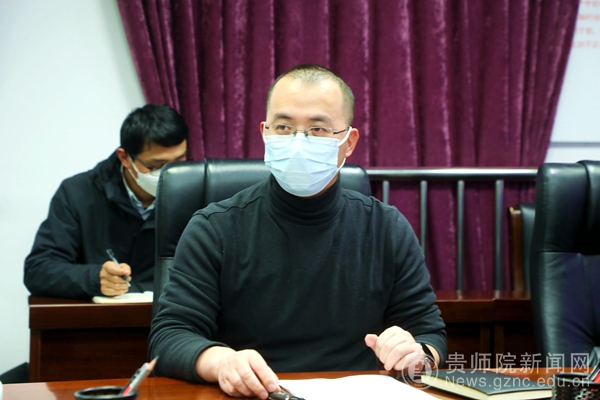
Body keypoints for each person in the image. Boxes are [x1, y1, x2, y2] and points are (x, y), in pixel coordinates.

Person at [149, 64, 446, 399]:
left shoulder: (387, 228)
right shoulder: (214, 228)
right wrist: (222, 362)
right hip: (256, 395)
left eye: (318, 129)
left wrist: (416, 354)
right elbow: (170, 336)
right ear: (265, 133)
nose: (298, 142)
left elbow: (428, 333)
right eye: (284, 127)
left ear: (348, 142)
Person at [24, 104, 189, 298]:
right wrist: (95, 278)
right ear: (125, 157)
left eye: (179, 161)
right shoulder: (77, 193)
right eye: (157, 166)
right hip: (97, 313)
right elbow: (38, 270)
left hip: (170, 313)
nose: (169, 173)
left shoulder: (196, 194)